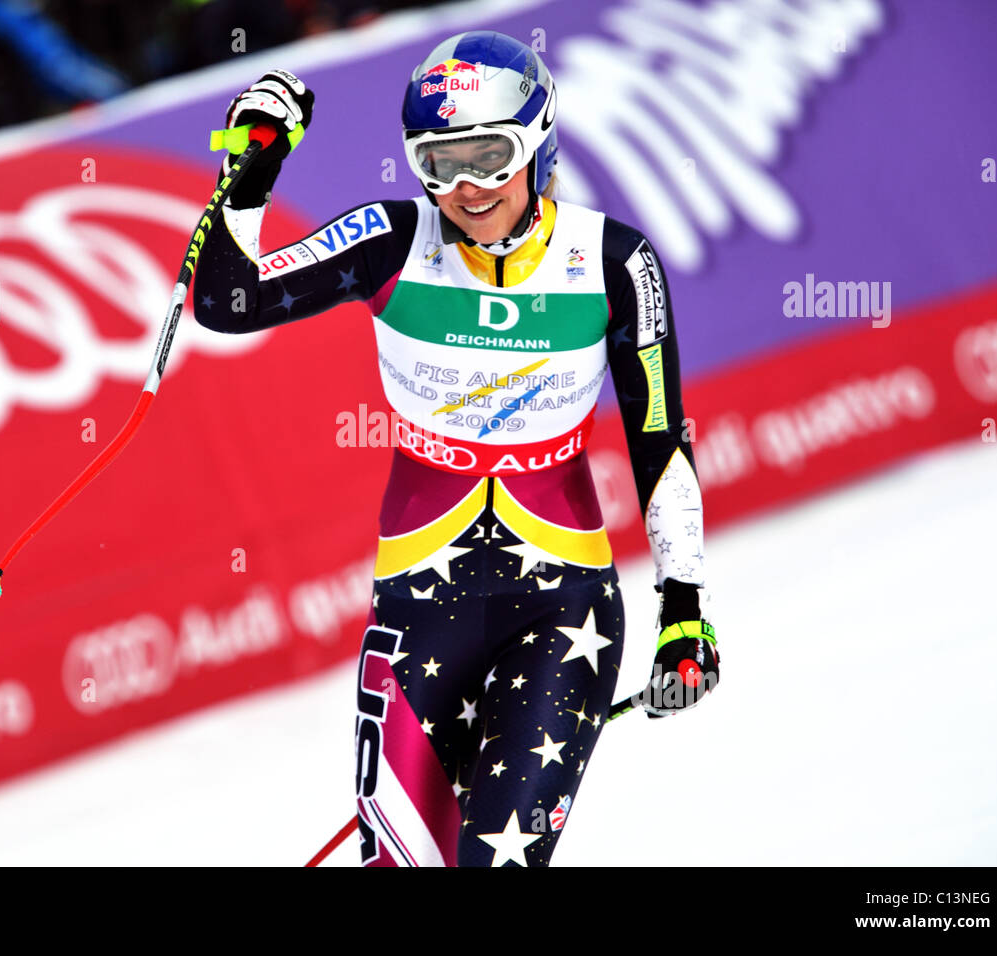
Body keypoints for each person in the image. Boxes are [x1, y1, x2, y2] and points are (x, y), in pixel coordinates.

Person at [193, 32, 720, 868]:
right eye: (438, 163)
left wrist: (683, 607)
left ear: (539, 140)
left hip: (561, 614)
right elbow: (225, 302)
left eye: (488, 155)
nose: (466, 188)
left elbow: (659, 439)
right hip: (416, 617)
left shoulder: (616, 263)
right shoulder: (391, 238)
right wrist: (251, 170)